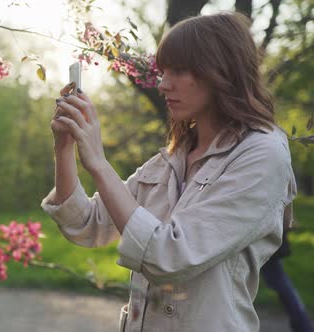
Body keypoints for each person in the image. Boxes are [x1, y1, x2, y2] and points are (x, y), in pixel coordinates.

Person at [41, 12, 298, 332]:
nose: (162, 84)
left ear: (220, 71)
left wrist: (98, 162)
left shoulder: (262, 155)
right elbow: (87, 225)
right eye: (163, 72)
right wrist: (64, 147)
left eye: (178, 70)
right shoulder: (174, 158)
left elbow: (170, 256)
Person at [262, 230, 313, 332]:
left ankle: (303, 324)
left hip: (264, 237)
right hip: (267, 236)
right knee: (279, 282)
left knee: (279, 282)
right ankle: (303, 324)